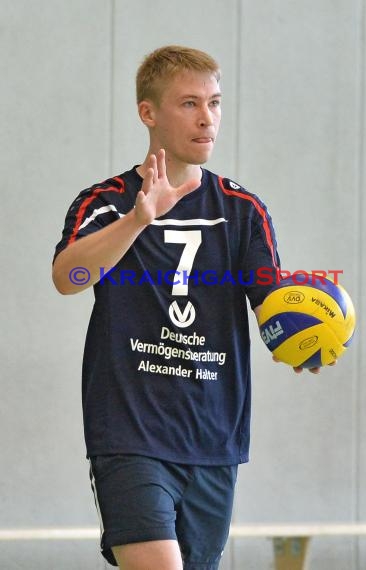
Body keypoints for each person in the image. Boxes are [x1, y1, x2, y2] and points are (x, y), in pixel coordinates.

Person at [52, 45, 323, 570]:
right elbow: (69, 278)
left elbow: (273, 306)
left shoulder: (243, 210)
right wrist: (137, 219)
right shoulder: (105, 202)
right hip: (131, 434)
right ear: (147, 112)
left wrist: (305, 339)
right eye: (189, 103)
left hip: (213, 438)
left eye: (215, 103)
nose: (207, 119)